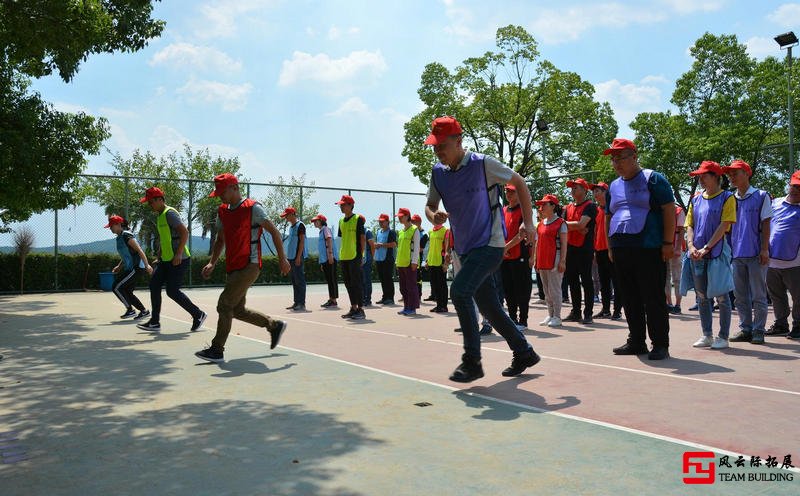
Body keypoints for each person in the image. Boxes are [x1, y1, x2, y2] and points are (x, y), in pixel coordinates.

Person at [424, 115, 540, 382]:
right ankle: (524, 351)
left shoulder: (483, 164)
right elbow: (430, 205)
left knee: (460, 291)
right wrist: (434, 216)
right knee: (489, 307)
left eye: (442, 144)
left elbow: (519, 182)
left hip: (490, 244)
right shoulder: (438, 173)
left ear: (458, 141)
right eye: (434, 146)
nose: (438, 150)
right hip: (464, 248)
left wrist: (529, 223)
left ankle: (472, 362)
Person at [195, 173, 290, 363]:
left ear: (235, 188)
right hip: (233, 266)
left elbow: (274, 232)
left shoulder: (253, 208)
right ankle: (273, 325)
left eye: (223, 191)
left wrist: (283, 259)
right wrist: (212, 262)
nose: (220, 196)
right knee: (237, 310)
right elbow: (220, 239)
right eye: (218, 192)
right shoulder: (223, 211)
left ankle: (216, 349)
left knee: (224, 304)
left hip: (250, 265)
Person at [604, 138, 676, 360]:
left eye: (621, 157)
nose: (617, 163)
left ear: (634, 156)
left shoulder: (654, 179)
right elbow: (608, 216)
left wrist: (667, 243)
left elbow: (669, 210)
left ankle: (660, 344)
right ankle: (636, 341)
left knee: (653, 296)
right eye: (613, 159)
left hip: (649, 247)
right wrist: (609, 246)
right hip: (621, 248)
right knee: (629, 296)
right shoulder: (613, 186)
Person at [136, 186, 206, 333]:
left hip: (179, 259)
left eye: (151, 202)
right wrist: (159, 257)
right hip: (166, 260)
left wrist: (179, 254)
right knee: (154, 284)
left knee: (172, 291)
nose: (150, 205)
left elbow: (185, 233)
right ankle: (154, 322)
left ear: (160, 199)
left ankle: (198, 314)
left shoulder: (169, 214)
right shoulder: (160, 215)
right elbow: (165, 239)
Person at [685, 161, 736, 350]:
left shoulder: (727, 198)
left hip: (717, 253)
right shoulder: (696, 199)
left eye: (704, 175)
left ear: (716, 176)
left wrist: (706, 247)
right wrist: (691, 246)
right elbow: (689, 224)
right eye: (699, 176)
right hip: (697, 254)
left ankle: (723, 336)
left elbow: (724, 225)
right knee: (702, 296)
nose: (700, 179)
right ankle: (707, 335)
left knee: (722, 296)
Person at [723, 160, 773, 345]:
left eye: (735, 173)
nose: (731, 177)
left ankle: (758, 330)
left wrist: (764, 249)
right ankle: (746, 329)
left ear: (746, 173)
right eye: (729, 174)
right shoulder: (730, 198)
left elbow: (766, 223)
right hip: (736, 254)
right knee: (740, 295)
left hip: (756, 253)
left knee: (759, 295)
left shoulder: (761, 195)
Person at [765, 170, 800, 340]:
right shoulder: (776, 203)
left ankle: (798, 325)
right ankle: (781, 324)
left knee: (798, 296)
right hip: (772, 261)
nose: (794, 189)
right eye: (793, 185)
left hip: (795, 262)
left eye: (799, 187)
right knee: (776, 295)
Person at [563, 177, 598, 324]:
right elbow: (564, 226)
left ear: (585, 190)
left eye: (576, 187)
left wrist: (575, 225)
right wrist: (576, 226)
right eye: (572, 187)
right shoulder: (567, 208)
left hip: (584, 248)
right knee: (572, 281)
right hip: (570, 248)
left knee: (586, 280)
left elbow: (580, 224)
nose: (573, 190)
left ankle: (588, 313)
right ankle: (576, 312)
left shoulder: (590, 206)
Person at [106, 215, 152, 320]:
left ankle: (130, 310)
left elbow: (139, 250)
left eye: (111, 226)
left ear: (118, 225)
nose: (110, 228)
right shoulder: (120, 238)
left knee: (116, 287)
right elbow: (127, 255)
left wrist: (147, 265)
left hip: (136, 268)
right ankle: (144, 311)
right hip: (130, 268)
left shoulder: (127, 236)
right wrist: (119, 266)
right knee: (126, 291)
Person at [501, 183, 534, 329]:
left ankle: (523, 320)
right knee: (508, 289)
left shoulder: (524, 211)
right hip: (505, 256)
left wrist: (506, 247)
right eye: (507, 191)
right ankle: (512, 318)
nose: (508, 194)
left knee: (522, 289)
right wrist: (502, 248)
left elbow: (522, 234)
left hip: (520, 255)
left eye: (512, 192)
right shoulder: (503, 210)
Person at [534, 194, 568, 327]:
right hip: (543, 258)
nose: (541, 207)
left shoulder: (561, 223)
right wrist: (536, 259)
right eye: (541, 205)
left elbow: (564, 243)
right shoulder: (541, 223)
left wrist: (563, 260)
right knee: (546, 290)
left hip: (555, 257)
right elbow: (538, 243)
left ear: (553, 206)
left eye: (545, 204)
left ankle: (557, 317)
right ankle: (550, 314)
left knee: (555, 289)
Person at [589, 182, 620, 320]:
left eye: (598, 191)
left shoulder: (614, 208)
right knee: (604, 282)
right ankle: (606, 309)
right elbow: (595, 232)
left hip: (612, 249)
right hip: (600, 250)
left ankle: (617, 310)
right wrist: (595, 250)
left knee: (617, 281)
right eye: (594, 191)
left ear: (606, 192)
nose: (595, 194)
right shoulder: (596, 210)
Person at [336, 195, 366, 320]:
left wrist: (362, 255)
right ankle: (353, 308)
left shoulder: (358, 219)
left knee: (356, 283)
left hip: (355, 256)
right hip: (344, 256)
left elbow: (362, 238)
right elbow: (342, 238)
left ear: (350, 205)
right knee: (348, 283)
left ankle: (361, 309)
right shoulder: (341, 221)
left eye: (343, 205)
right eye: (340, 205)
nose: (341, 207)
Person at [395, 208, 421, 315]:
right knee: (403, 287)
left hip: (410, 263)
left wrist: (414, 261)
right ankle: (406, 306)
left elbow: (416, 247)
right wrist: (397, 261)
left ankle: (412, 308)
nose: (400, 218)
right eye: (399, 216)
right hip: (401, 262)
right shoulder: (401, 232)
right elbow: (399, 248)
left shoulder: (414, 230)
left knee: (411, 286)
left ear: (407, 216)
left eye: (402, 216)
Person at [281, 207, 307, 312]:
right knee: (294, 280)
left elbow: (301, 242)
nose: (285, 218)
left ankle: (301, 303)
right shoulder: (291, 227)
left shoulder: (300, 225)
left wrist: (298, 257)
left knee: (300, 280)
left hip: (297, 257)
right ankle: (296, 302)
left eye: (286, 215)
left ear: (292, 214)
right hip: (291, 257)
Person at [312, 214, 338, 308]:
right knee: (329, 279)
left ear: (322, 221)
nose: (314, 223)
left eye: (316, 221)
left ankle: (333, 300)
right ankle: (331, 298)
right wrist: (322, 262)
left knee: (332, 279)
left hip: (329, 258)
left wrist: (330, 254)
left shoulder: (325, 229)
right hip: (325, 259)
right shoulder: (321, 231)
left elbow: (329, 240)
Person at [665, 204, 686, 314]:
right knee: (666, 277)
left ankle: (678, 304)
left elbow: (681, 230)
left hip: (675, 248)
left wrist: (678, 248)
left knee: (677, 278)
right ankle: (669, 303)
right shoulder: (662, 209)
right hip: (665, 247)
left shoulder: (679, 211)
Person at [374, 213, 397, 305]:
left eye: (383, 221)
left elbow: (394, 244)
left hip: (387, 259)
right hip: (379, 258)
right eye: (380, 221)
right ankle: (385, 297)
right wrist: (376, 245)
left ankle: (390, 298)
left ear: (387, 222)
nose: (380, 223)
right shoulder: (378, 231)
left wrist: (381, 245)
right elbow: (377, 242)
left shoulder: (391, 232)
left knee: (388, 278)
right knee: (382, 279)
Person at [426, 219, 449, 312]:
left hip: (440, 261)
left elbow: (448, 248)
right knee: (434, 285)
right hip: (431, 260)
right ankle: (438, 304)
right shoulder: (430, 231)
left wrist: (446, 263)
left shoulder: (445, 231)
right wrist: (427, 260)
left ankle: (444, 306)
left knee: (442, 284)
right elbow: (430, 247)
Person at [411, 214, 428, 299]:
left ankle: (418, 295)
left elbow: (421, 249)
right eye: (412, 221)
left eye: (414, 221)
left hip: (418, 258)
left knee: (418, 278)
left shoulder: (424, 234)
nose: (412, 223)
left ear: (419, 222)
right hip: (410, 257)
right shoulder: (412, 232)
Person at [362, 215, 376, 306]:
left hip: (366, 260)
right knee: (360, 280)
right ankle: (362, 298)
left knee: (366, 279)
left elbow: (372, 246)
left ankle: (368, 299)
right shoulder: (356, 232)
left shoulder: (367, 232)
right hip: (358, 260)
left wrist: (372, 257)